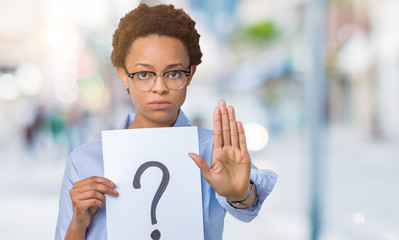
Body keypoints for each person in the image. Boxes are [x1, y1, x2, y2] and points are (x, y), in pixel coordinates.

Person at [55, 3, 277, 240]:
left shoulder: (214, 151)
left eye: (173, 73)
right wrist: (78, 223)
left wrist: (241, 195)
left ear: (189, 74)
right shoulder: (85, 161)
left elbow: (248, 204)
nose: (159, 88)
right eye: (143, 74)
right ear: (123, 75)